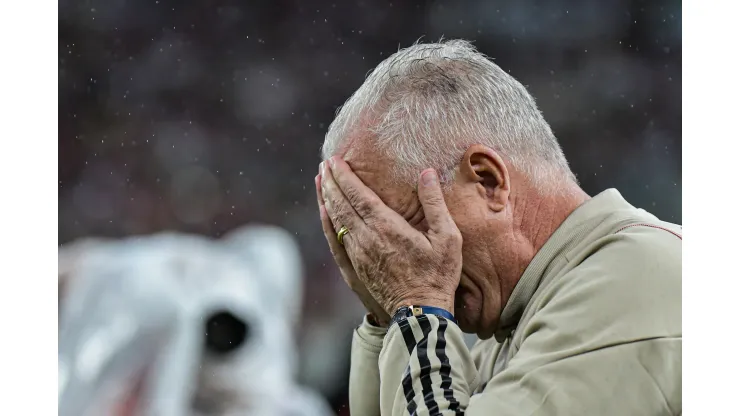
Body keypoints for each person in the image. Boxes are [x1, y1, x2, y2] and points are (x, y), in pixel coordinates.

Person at [315, 39, 681, 415]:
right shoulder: (519, 323)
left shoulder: (625, 286)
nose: (390, 259)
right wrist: (387, 317)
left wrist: (414, 308)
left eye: (402, 228)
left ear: (488, 181)